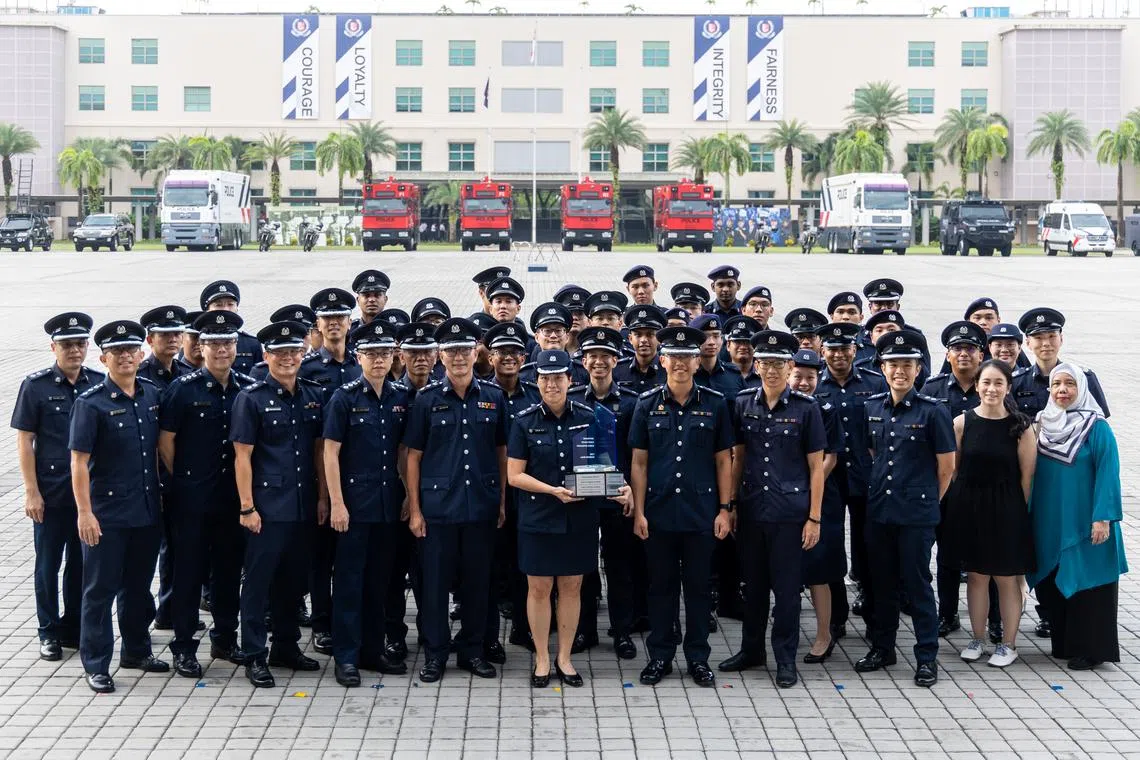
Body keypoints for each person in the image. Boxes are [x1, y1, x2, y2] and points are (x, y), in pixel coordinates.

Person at [508, 350, 629, 687]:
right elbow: (514, 475)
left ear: (569, 380)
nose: (551, 384)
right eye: (545, 378)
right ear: (538, 382)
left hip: (578, 518)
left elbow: (602, 468)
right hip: (539, 517)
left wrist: (621, 488)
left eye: (558, 377)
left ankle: (564, 657)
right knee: (539, 588)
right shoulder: (524, 420)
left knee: (572, 587)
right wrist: (552, 490)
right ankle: (542, 659)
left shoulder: (591, 417)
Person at [404, 317, 508, 683]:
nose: (458, 357)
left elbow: (501, 451)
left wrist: (502, 501)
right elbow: (413, 455)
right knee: (434, 586)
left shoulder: (493, 397)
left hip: (480, 505)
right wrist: (415, 509)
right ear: (439, 356)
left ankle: (472, 651)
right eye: (450, 351)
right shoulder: (426, 399)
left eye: (464, 350)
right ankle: (435, 654)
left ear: (475, 352)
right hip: (437, 511)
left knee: (478, 584)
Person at [630, 326, 734, 688]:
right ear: (663, 361)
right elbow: (639, 463)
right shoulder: (646, 405)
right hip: (658, 512)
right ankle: (660, 655)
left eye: (687, 357)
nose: (680, 364)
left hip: (700, 512)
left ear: (696, 361)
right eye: (673, 357)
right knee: (660, 587)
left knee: (699, 589)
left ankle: (697, 657)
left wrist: (725, 509)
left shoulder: (715, 403)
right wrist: (639, 511)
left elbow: (725, 461)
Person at [720, 332, 825, 689]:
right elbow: (738, 457)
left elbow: (816, 468)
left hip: (790, 513)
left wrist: (814, 517)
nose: (771, 370)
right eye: (765, 363)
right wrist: (730, 505)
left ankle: (784, 658)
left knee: (786, 591)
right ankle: (752, 650)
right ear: (757, 366)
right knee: (754, 587)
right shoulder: (743, 402)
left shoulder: (806, 408)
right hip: (752, 510)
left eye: (779, 364)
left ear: (790, 366)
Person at [69, 320, 167, 693]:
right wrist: (84, 512)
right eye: (117, 352)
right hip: (106, 515)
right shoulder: (90, 403)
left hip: (145, 510)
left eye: (131, 350)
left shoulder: (151, 395)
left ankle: (136, 651)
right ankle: (96, 663)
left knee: (138, 587)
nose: (126, 357)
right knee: (99, 590)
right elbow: (78, 462)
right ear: (103, 358)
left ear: (141, 355)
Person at [854, 329, 955, 688]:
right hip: (880, 510)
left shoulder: (933, 412)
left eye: (907, 365)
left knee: (917, 585)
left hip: (916, 515)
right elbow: (872, 453)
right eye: (893, 364)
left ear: (918, 370)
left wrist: (926, 500)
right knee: (881, 584)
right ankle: (883, 648)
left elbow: (946, 467)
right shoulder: (872, 408)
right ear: (882, 367)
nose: (899, 371)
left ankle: (927, 656)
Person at [231, 321, 327, 688]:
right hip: (267, 508)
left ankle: (285, 646)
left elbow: (319, 451)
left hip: (302, 505)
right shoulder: (251, 398)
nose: (288, 359)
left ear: (303, 355)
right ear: (266, 356)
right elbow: (243, 457)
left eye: (294, 352)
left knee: (293, 581)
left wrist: (322, 498)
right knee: (258, 583)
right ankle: (254, 653)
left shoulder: (312, 394)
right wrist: (246, 507)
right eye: (280, 353)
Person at [158, 310, 254, 677]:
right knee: (188, 572)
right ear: (200, 347)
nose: (222, 350)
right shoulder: (183, 389)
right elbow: (165, 442)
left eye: (228, 343)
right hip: (192, 499)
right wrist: (183, 479)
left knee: (229, 572)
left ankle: (226, 639)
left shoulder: (247, 386)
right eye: (214, 344)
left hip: (232, 499)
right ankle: (184, 646)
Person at [323, 321, 411, 686]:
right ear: (359, 357)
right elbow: (330, 453)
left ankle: (372, 651)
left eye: (385, 353)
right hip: (354, 507)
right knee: (348, 583)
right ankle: (346, 657)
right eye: (371, 353)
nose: (378, 360)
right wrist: (336, 504)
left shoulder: (400, 397)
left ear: (393, 357)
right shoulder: (344, 397)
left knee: (380, 583)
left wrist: (408, 495)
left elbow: (406, 452)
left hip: (388, 504)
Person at [12, 312, 103, 661]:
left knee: (81, 566)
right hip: (49, 495)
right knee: (48, 566)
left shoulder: (97, 384)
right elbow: (25, 442)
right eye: (67, 344)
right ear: (54, 347)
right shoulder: (35, 386)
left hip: (86, 497)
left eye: (80, 343)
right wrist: (31, 491)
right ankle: (47, 631)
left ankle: (72, 628)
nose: (75, 350)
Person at [1026, 363, 1126, 670]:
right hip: (1049, 520)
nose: (1062, 390)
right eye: (1057, 385)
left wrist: (1103, 518)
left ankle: (1092, 649)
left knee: (1088, 584)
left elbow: (1109, 473)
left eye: (1070, 384)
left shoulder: (1097, 427)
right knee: (1052, 581)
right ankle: (1066, 643)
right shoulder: (1041, 424)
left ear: (1081, 389)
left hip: (1087, 521)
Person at [947, 360, 1037, 668]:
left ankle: (1008, 644)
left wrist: (1017, 514)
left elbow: (1027, 479)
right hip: (970, 506)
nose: (991, 389)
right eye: (986, 382)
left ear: (1008, 387)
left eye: (998, 383)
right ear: (976, 385)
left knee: (1006, 578)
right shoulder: (962, 423)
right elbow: (954, 471)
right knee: (975, 576)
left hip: (1007, 508)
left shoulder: (1021, 426)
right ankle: (977, 638)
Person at [568, 327, 646, 659]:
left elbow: (638, 452)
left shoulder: (631, 402)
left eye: (605, 356)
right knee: (583, 567)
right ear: (583, 362)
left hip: (618, 497)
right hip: (583, 497)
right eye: (592, 357)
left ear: (616, 360)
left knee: (620, 568)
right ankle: (585, 630)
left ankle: (623, 632)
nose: (598, 362)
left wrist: (631, 493)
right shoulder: (572, 400)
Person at [300, 287, 363, 657]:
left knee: (354, 558)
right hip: (320, 477)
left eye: (341, 317)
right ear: (319, 325)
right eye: (328, 319)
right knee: (322, 558)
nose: (335, 324)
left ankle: (352, 621)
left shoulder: (362, 364)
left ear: (350, 322)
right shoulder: (307, 369)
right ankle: (322, 623)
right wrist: (323, 494)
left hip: (359, 475)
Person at [815, 321, 887, 627]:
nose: (839, 355)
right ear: (822, 351)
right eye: (832, 349)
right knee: (829, 547)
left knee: (868, 546)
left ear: (855, 350)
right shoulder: (814, 386)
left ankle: (872, 610)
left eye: (845, 348)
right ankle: (836, 617)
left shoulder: (874, 382)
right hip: (829, 479)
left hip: (865, 476)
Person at [923, 320, 988, 637]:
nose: (964, 353)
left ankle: (994, 619)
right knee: (947, 555)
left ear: (980, 354)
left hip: (982, 487)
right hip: (944, 486)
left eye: (970, 348)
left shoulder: (991, 385)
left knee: (985, 555)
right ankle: (947, 614)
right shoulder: (933, 389)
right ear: (948, 355)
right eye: (957, 348)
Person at [383, 321, 440, 665]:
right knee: (393, 570)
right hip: (394, 498)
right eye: (413, 353)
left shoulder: (441, 394)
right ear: (400, 356)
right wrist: (406, 494)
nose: (420, 359)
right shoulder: (391, 395)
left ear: (436, 356)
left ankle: (429, 627)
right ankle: (393, 634)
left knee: (428, 571)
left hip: (431, 499)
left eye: (426, 352)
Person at [788, 348, 849, 666]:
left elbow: (831, 456)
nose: (803, 382)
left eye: (810, 377)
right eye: (798, 376)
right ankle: (787, 635)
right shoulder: (778, 406)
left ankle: (824, 635)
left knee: (820, 570)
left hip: (821, 497)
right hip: (783, 498)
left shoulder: (825, 408)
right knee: (788, 569)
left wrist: (807, 484)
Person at [1013, 307, 1110, 418]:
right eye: (1038, 338)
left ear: (1061, 339)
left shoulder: (1083, 377)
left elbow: (1100, 420)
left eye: (1052, 336)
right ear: (1028, 343)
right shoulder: (1018, 381)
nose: (1046, 343)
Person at [200, 280, 263, 375]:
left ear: (237, 308)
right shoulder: (197, 342)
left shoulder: (252, 344)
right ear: (207, 311)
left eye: (230, 304)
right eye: (218, 305)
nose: (225, 309)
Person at [614, 305, 666, 394]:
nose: (643, 340)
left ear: (659, 339)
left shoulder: (668, 369)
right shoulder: (617, 369)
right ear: (630, 339)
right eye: (638, 335)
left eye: (650, 334)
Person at [137, 305, 189, 389]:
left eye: (177, 334)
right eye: (164, 334)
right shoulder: (139, 376)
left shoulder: (187, 372)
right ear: (150, 340)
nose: (172, 339)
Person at [723, 315, 762, 389]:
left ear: (755, 346)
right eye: (737, 342)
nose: (743, 347)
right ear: (728, 345)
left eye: (747, 342)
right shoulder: (719, 376)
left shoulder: (764, 376)